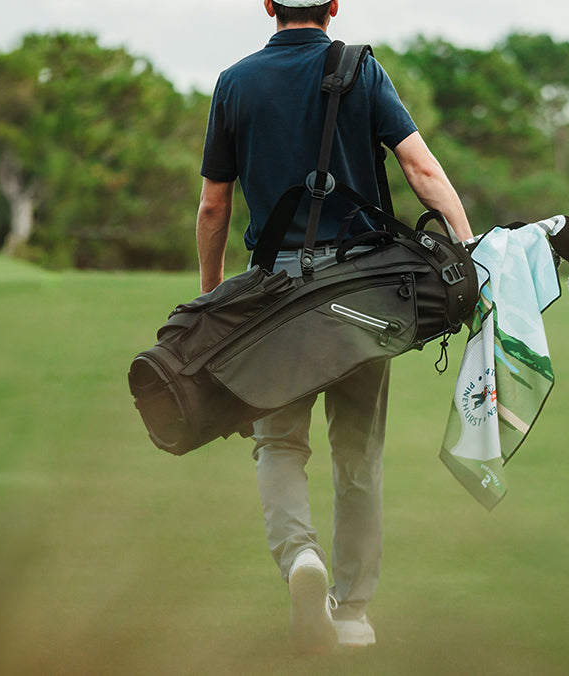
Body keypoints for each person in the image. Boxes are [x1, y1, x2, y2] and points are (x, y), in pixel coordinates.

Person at [194, 0, 474, 655]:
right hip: (362, 295)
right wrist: (467, 250)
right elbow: (421, 169)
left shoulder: (235, 82)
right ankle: (351, 611)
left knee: (280, 445)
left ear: (268, 5)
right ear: (334, 5)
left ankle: (300, 562)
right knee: (358, 454)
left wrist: (212, 304)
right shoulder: (361, 71)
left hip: (273, 298)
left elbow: (213, 206)